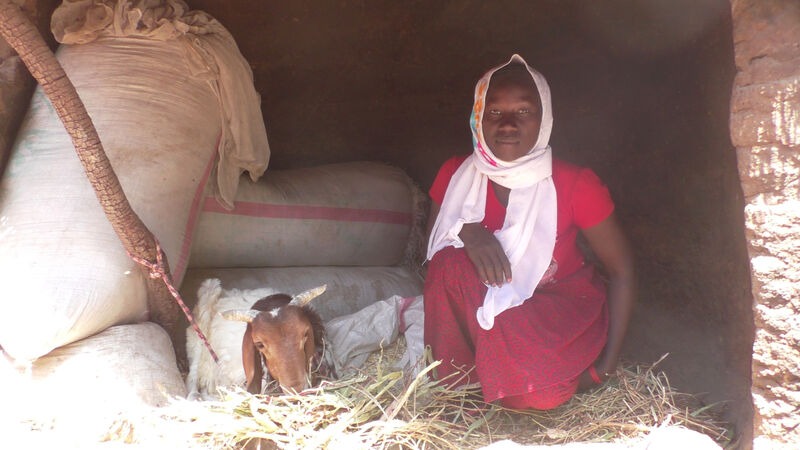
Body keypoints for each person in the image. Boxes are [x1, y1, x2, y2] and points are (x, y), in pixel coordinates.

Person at [424, 54, 636, 410]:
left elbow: (622, 271)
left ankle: (515, 377)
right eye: (494, 112)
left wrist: (607, 366)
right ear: (477, 118)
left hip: (555, 308)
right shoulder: (455, 175)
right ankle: (458, 389)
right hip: (489, 308)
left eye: (523, 111)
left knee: (539, 394)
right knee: (448, 265)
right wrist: (468, 232)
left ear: (545, 118)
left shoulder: (576, 184)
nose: (507, 125)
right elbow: (434, 258)